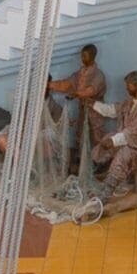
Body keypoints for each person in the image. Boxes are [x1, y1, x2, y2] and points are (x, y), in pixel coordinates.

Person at [46, 44, 106, 181]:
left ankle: (99, 164)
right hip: (83, 110)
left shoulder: (98, 75)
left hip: (95, 110)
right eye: (82, 55)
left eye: (85, 56)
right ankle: (81, 160)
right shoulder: (80, 73)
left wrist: (76, 94)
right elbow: (67, 83)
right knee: (81, 134)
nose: (82, 58)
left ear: (92, 56)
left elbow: (91, 90)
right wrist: (50, 85)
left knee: (96, 136)